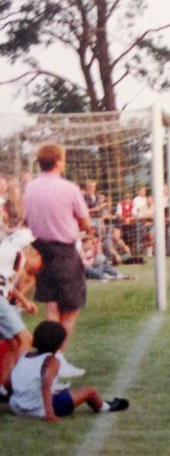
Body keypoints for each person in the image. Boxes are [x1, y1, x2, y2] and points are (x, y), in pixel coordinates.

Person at [22, 143, 92, 378]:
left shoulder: (30, 187)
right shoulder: (69, 188)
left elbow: (28, 220)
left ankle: (47, 360)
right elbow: (86, 224)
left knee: (52, 306)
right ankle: (57, 361)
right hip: (63, 251)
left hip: (41, 250)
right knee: (71, 308)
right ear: (59, 161)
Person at [8, 320, 128, 420]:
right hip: (38, 409)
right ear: (59, 343)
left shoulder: (24, 356)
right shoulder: (52, 361)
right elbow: (46, 387)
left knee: (62, 390)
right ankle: (104, 407)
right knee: (90, 391)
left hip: (16, 406)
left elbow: (13, 380)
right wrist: (50, 414)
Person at [0, 229, 41, 394]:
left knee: (13, 342)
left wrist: (24, 301)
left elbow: (6, 283)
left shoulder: (8, 250)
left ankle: (3, 386)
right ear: (34, 253)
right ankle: (23, 386)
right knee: (25, 339)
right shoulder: (20, 255)